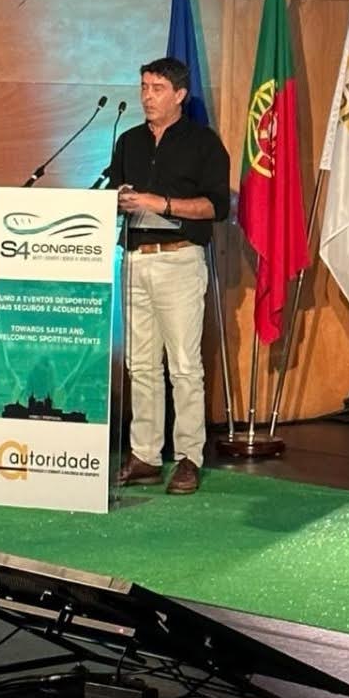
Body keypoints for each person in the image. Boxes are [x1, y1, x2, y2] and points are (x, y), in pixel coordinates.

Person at [110, 57, 230, 495]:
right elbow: (113, 190)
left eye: (157, 88)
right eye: (144, 86)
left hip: (178, 259)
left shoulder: (203, 143)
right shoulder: (128, 141)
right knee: (141, 364)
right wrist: (121, 199)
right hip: (135, 259)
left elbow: (217, 206)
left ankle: (188, 457)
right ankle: (144, 454)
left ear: (180, 94)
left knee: (183, 365)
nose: (147, 96)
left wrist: (159, 203)